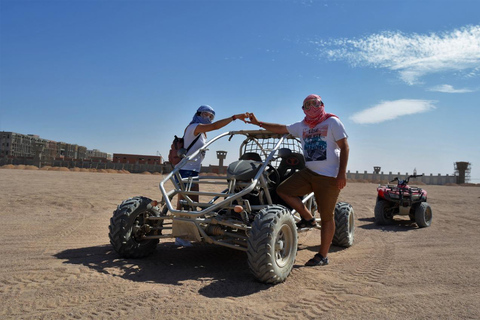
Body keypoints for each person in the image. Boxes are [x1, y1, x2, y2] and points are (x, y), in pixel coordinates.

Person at [246, 94, 349, 267]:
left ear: (321, 104)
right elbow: (280, 128)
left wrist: (342, 173)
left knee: (326, 216)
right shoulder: (302, 126)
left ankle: (323, 255)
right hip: (309, 172)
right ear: (303, 109)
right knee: (283, 190)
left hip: (329, 176)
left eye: (314, 103)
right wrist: (258, 123)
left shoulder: (332, 122)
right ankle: (308, 218)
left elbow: (344, 147)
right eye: (307, 105)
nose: (311, 107)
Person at [176, 105, 248, 210]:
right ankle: (182, 224)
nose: (208, 118)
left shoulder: (202, 132)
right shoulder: (194, 127)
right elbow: (215, 126)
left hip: (192, 169)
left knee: (185, 203)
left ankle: (178, 223)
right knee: (191, 203)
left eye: (211, 117)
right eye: (205, 114)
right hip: (187, 170)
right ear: (198, 114)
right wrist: (234, 117)